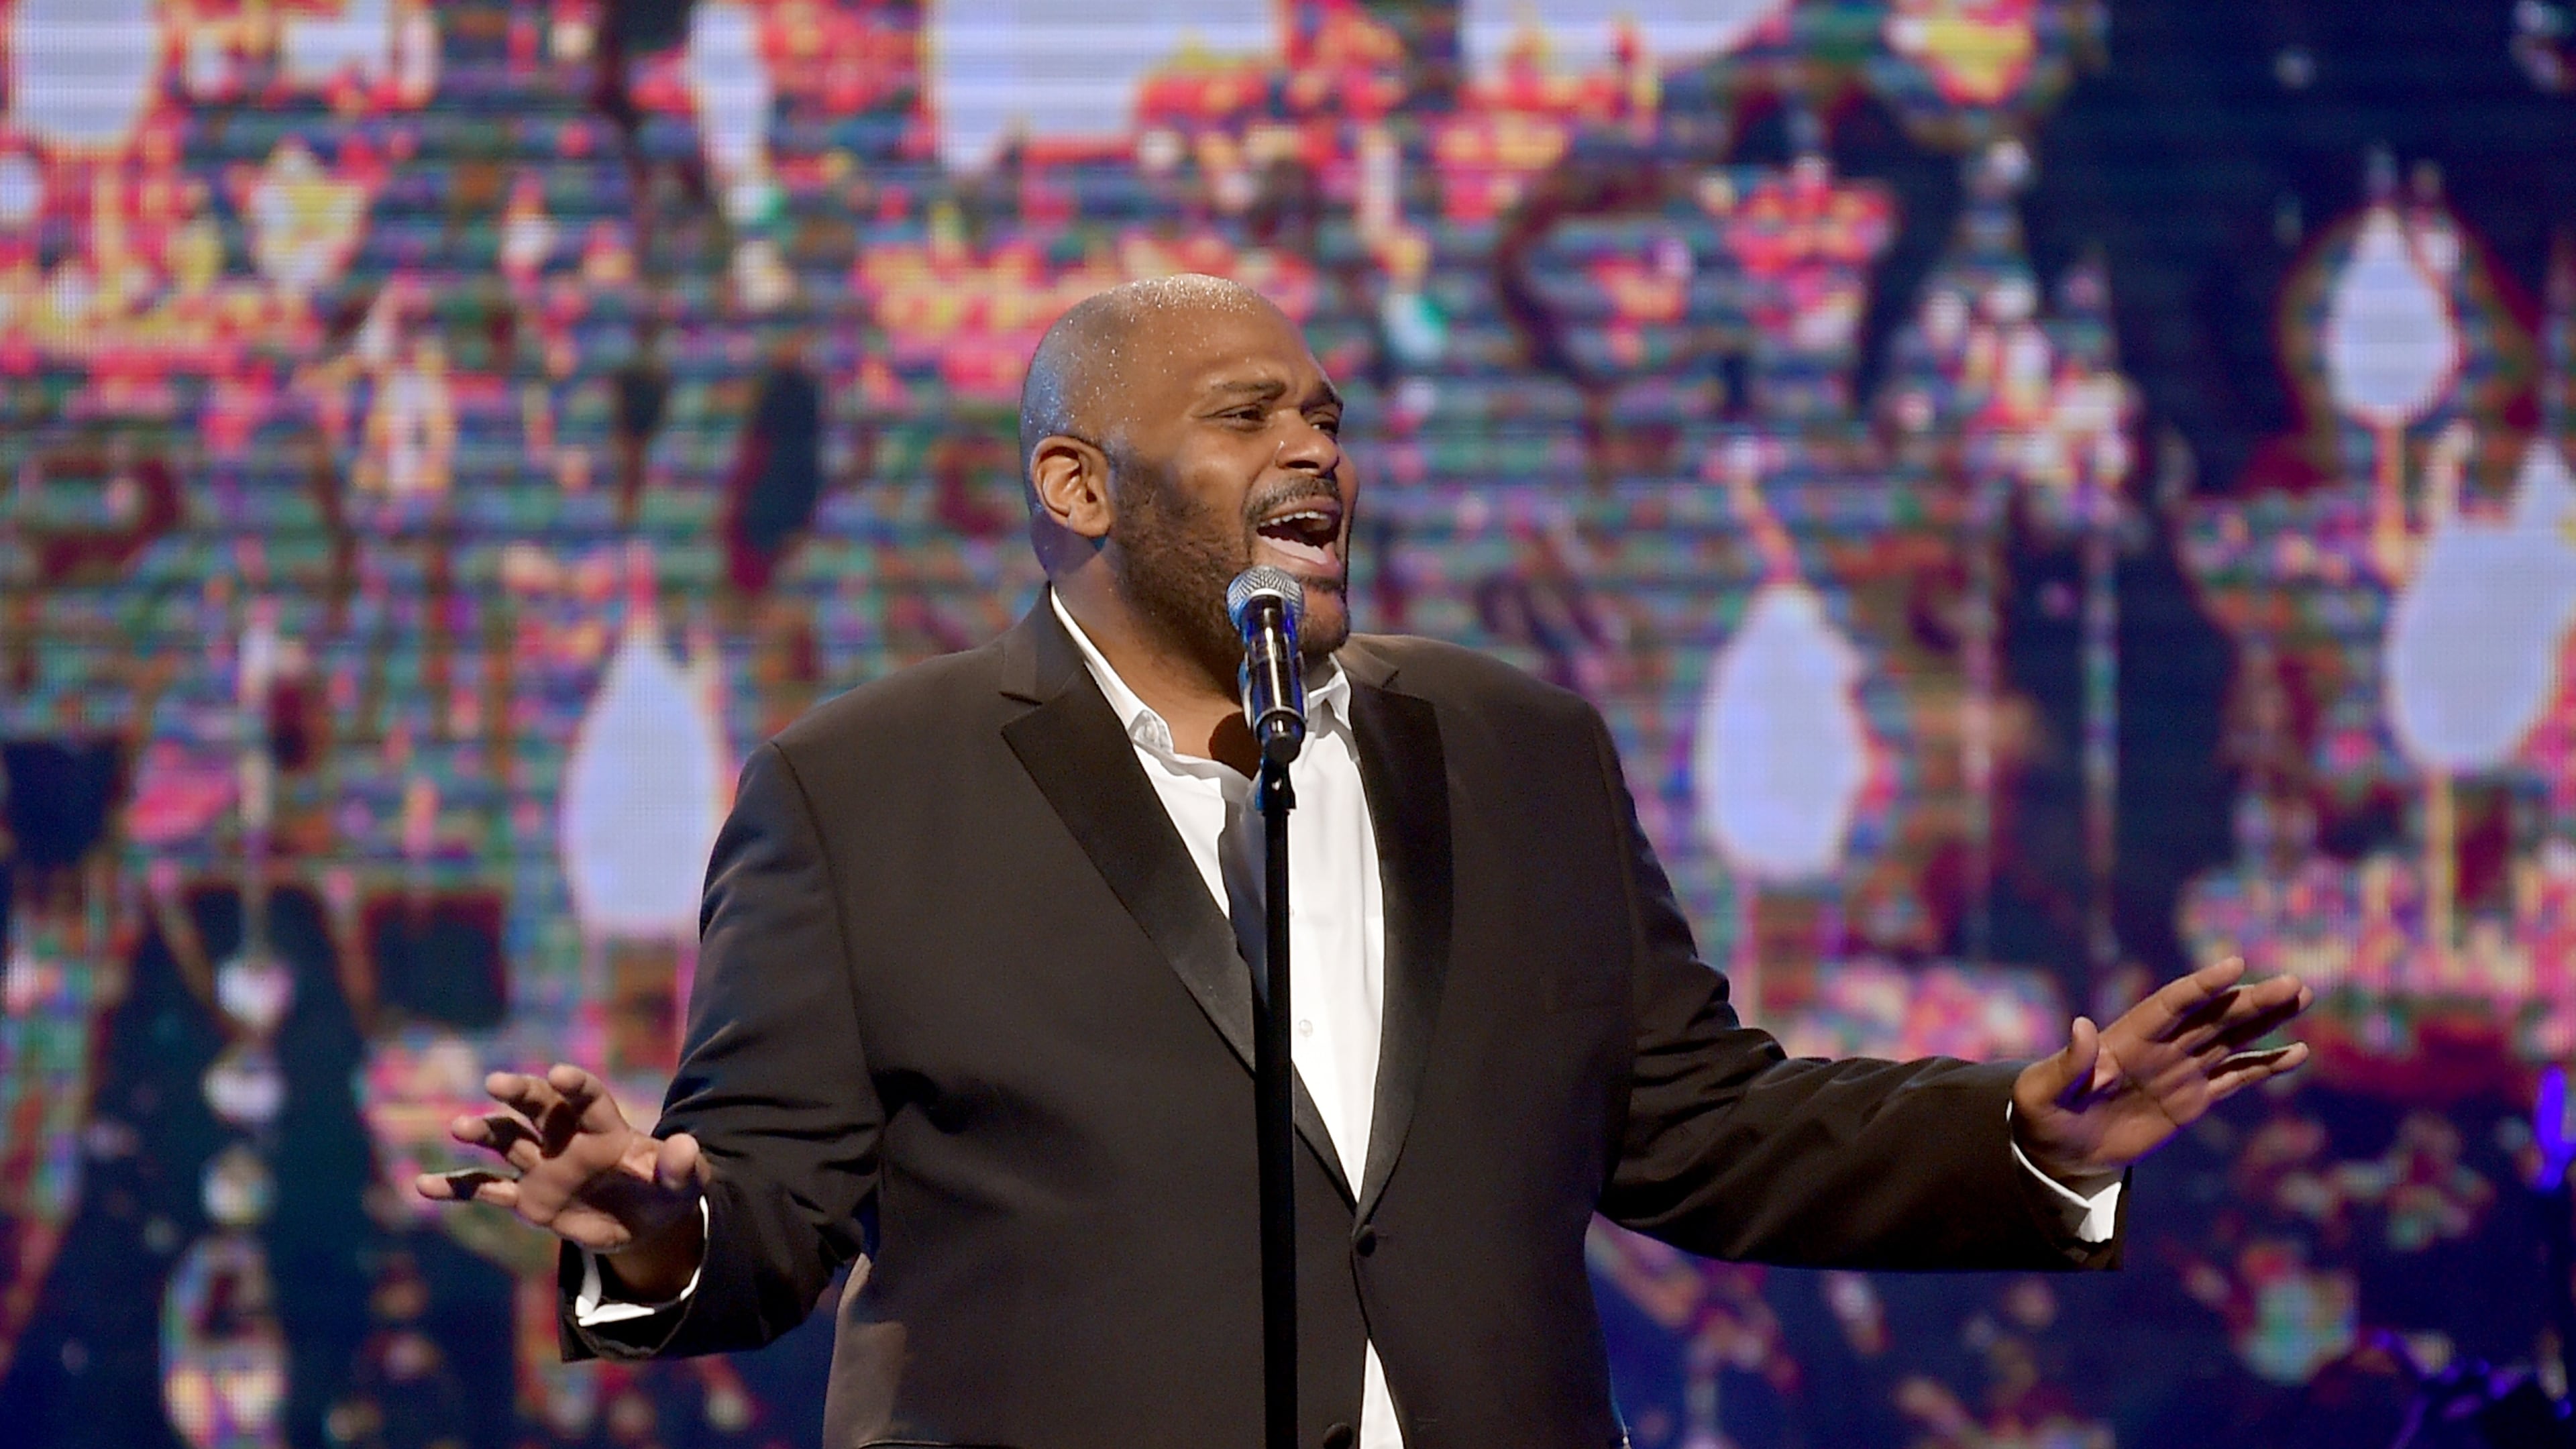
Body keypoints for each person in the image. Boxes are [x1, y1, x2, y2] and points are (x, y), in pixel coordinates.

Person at [419, 275, 2312, 1449]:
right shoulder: (866, 788)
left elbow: (1696, 1122)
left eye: (1327, 414)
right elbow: (766, 1206)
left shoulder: (1509, 746)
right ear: (1077, 485)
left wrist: (2027, 1138)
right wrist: (655, 1224)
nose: (1314, 447)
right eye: (1246, 416)